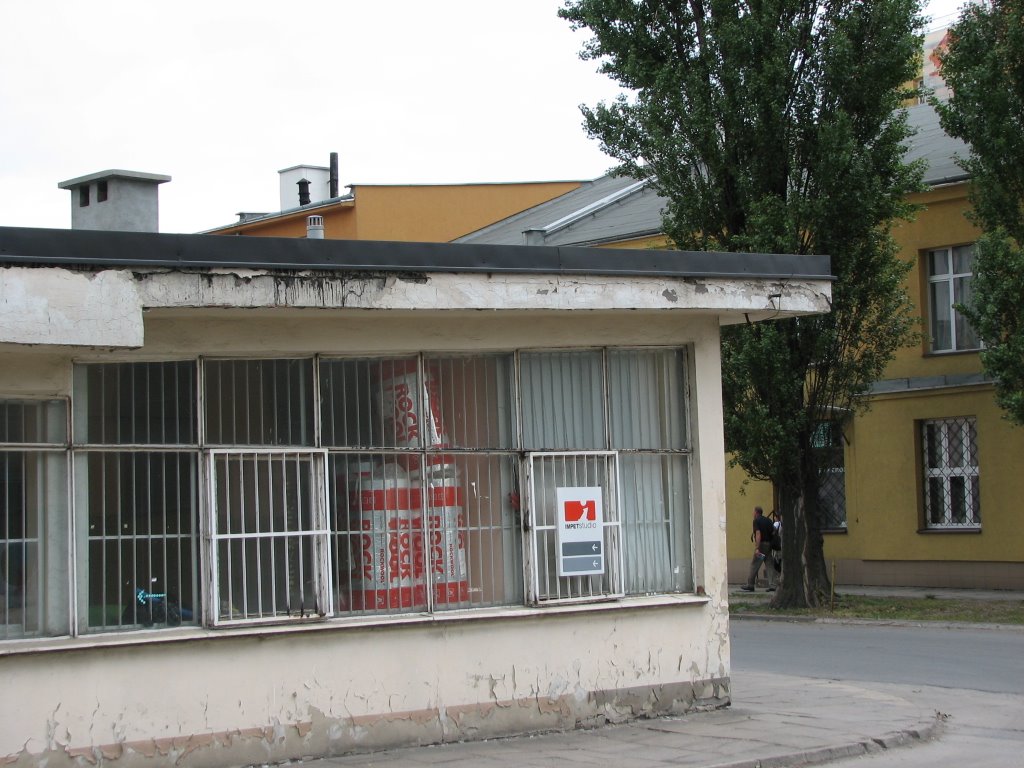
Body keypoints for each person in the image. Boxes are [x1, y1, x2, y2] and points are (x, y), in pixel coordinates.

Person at [741, 506, 777, 592]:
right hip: (769, 545)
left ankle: (750, 584)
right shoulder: (768, 521)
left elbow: (758, 533)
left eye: (753, 512)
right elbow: (774, 531)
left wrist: (757, 548)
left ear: (756, 512)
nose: (753, 514)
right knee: (769, 564)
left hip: (761, 546)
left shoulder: (756, 521)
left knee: (755, 564)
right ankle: (773, 585)